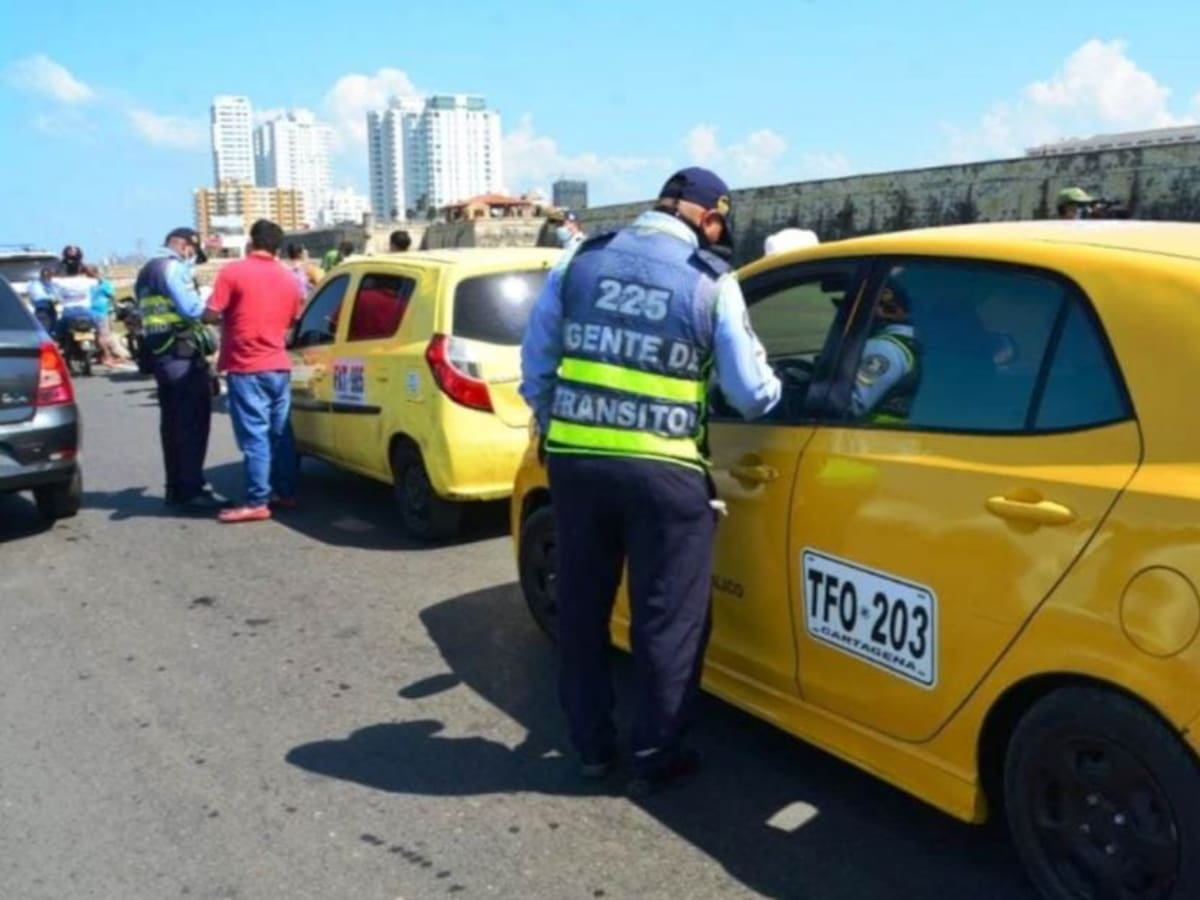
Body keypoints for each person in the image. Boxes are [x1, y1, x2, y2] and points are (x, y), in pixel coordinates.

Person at [520, 166, 781, 795]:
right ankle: (654, 750)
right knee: (668, 618)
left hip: (578, 466)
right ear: (708, 219)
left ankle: (590, 745)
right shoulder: (709, 282)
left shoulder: (579, 262)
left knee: (583, 607)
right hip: (666, 474)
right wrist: (779, 388)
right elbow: (750, 394)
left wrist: (565, 426)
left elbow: (536, 367)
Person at [203, 219, 303, 523]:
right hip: (278, 364)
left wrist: (214, 318)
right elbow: (294, 320)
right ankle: (285, 491)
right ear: (278, 246)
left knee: (254, 436)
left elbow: (211, 312)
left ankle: (258, 499)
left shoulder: (233, 272)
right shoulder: (290, 280)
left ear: (251, 241)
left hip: (246, 365)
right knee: (281, 432)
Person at [135, 226, 223, 510]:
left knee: (172, 424)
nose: (191, 259)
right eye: (192, 253)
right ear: (186, 246)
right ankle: (191, 488)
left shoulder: (146, 271)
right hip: (182, 353)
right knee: (193, 422)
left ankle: (175, 486)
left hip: (161, 354)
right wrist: (217, 310)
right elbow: (191, 309)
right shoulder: (173, 269)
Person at [849, 279, 919, 422]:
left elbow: (851, 406)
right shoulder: (911, 343)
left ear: (887, 311)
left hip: (870, 439)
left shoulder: (883, 348)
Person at [86, 265, 124, 366]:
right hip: (100, 312)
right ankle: (107, 356)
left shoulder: (86, 284)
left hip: (87, 312)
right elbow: (112, 297)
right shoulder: (103, 283)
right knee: (104, 335)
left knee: (98, 334)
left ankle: (102, 355)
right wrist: (117, 307)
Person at [27, 267, 60, 334]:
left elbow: (57, 295)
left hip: (51, 309)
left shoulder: (51, 284)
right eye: (46, 276)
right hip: (42, 310)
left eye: (49, 276)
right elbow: (38, 297)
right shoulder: (35, 284)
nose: (47, 278)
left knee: (52, 330)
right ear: (41, 275)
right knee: (44, 330)